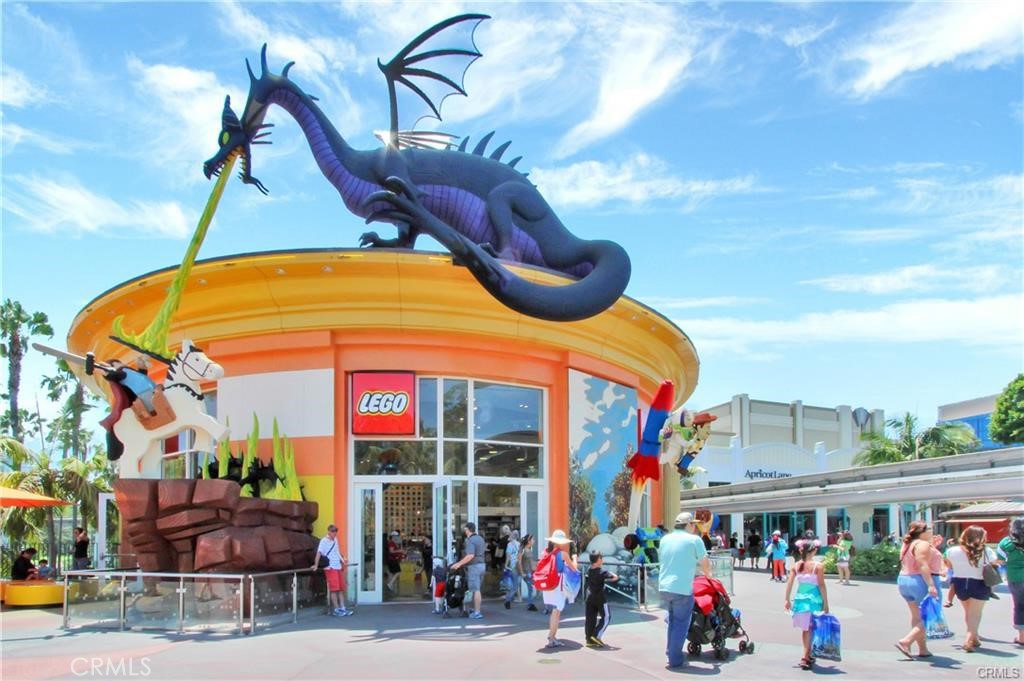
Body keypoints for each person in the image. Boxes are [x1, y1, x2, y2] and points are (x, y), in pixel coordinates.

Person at [658, 512, 711, 669]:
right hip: (682, 589)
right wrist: (709, 575)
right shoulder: (694, 540)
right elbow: (705, 562)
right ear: (688, 525)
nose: (695, 527)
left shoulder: (665, 539)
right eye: (693, 524)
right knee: (681, 623)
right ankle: (675, 659)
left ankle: (670, 651)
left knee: (673, 620)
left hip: (664, 587)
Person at [945, 525, 998, 652]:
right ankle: (969, 640)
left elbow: (949, 566)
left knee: (968, 613)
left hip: (959, 582)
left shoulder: (952, 551)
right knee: (975, 614)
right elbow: (994, 564)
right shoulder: (987, 551)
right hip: (979, 583)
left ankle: (974, 638)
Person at [895, 521, 942, 659]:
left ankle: (922, 648)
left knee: (917, 616)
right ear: (922, 532)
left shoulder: (908, 544)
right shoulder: (922, 544)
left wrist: (933, 546)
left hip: (905, 579)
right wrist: (931, 585)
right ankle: (906, 641)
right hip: (920, 580)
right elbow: (923, 565)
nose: (932, 531)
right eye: (930, 529)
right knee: (931, 614)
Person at [785, 536, 829, 670]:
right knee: (812, 627)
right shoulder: (818, 566)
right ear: (814, 551)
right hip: (814, 600)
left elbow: (789, 583)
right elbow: (821, 585)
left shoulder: (796, 566)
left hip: (800, 600)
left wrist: (787, 599)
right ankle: (805, 656)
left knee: (805, 629)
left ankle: (807, 655)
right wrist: (826, 603)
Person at [539, 530, 579, 648]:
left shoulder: (544, 552)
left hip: (548, 584)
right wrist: (575, 558)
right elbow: (574, 568)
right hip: (557, 584)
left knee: (554, 611)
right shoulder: (562, 554)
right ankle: (551, 638)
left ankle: (552, 636)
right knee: (556, 612)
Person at [313, 524, 352, 616]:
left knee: (341, 589)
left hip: (337, 566)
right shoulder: (324, 541)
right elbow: (319, 553)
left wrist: (343, 560)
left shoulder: (335, 540)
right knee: (334, 589)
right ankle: (336, 609)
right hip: (330, 567)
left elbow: (337, 551)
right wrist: (316, 565)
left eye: (335, 532)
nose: (334, 534)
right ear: (329, 532)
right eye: (333, 532)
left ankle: (342, 608)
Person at [450, 522, 487, 619]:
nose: (464, 531)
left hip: (474, 567)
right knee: (476, 589)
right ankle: (475, 609)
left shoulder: (470, 540)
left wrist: (458, 564)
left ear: (468, 530)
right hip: (482, 565)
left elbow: (470, 555)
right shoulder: (480, 539)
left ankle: (477, 612)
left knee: (476, 590)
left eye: (465, 529)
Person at [997, 517, 1024, 647]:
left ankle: (1022, 637)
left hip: (1015, 577)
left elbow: (1001, 561)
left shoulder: (1006, 542)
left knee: (1019, 606)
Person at [584, 551, 619, 647]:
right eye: (601, 558)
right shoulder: (602, 571)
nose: (602, 560)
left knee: (590, 618)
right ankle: (596, 635)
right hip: (600, 598)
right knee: (606, 616)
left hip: (590, 597)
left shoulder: (589, 570)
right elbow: (615, 577)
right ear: (598, 559)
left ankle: (589, 639)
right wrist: (608, 577)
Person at [518, 533, 539, 611]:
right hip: (526, 572)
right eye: (533, 539)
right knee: (530, 587)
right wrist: (522, 572)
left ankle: (530, 604)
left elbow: (530, 561)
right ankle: (530, 604)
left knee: (531, 587)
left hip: (530, 572)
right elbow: (519, 562)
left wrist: (536, 566)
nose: (534, 541)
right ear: (528, 541)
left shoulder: (530, 549)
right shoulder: (522, 550)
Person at [503, 529, 521, 609]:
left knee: (513, 585)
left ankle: (508, 600)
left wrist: (506, 565)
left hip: (512, 566)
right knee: (516, 585)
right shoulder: (519, 544)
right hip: (518, 566)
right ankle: (508, 600)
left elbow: (508, 556)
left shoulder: (509, 545)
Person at [943, 537, 959, 607]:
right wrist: (948, 567)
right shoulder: (948, 551)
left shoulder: (959, 551)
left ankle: (949, 600)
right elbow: (944, 560)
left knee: (953, 585)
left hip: (955, 570)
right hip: (952, 570)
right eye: (950, 543)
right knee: (953, 585)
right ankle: (949, 600)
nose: (952, 544)